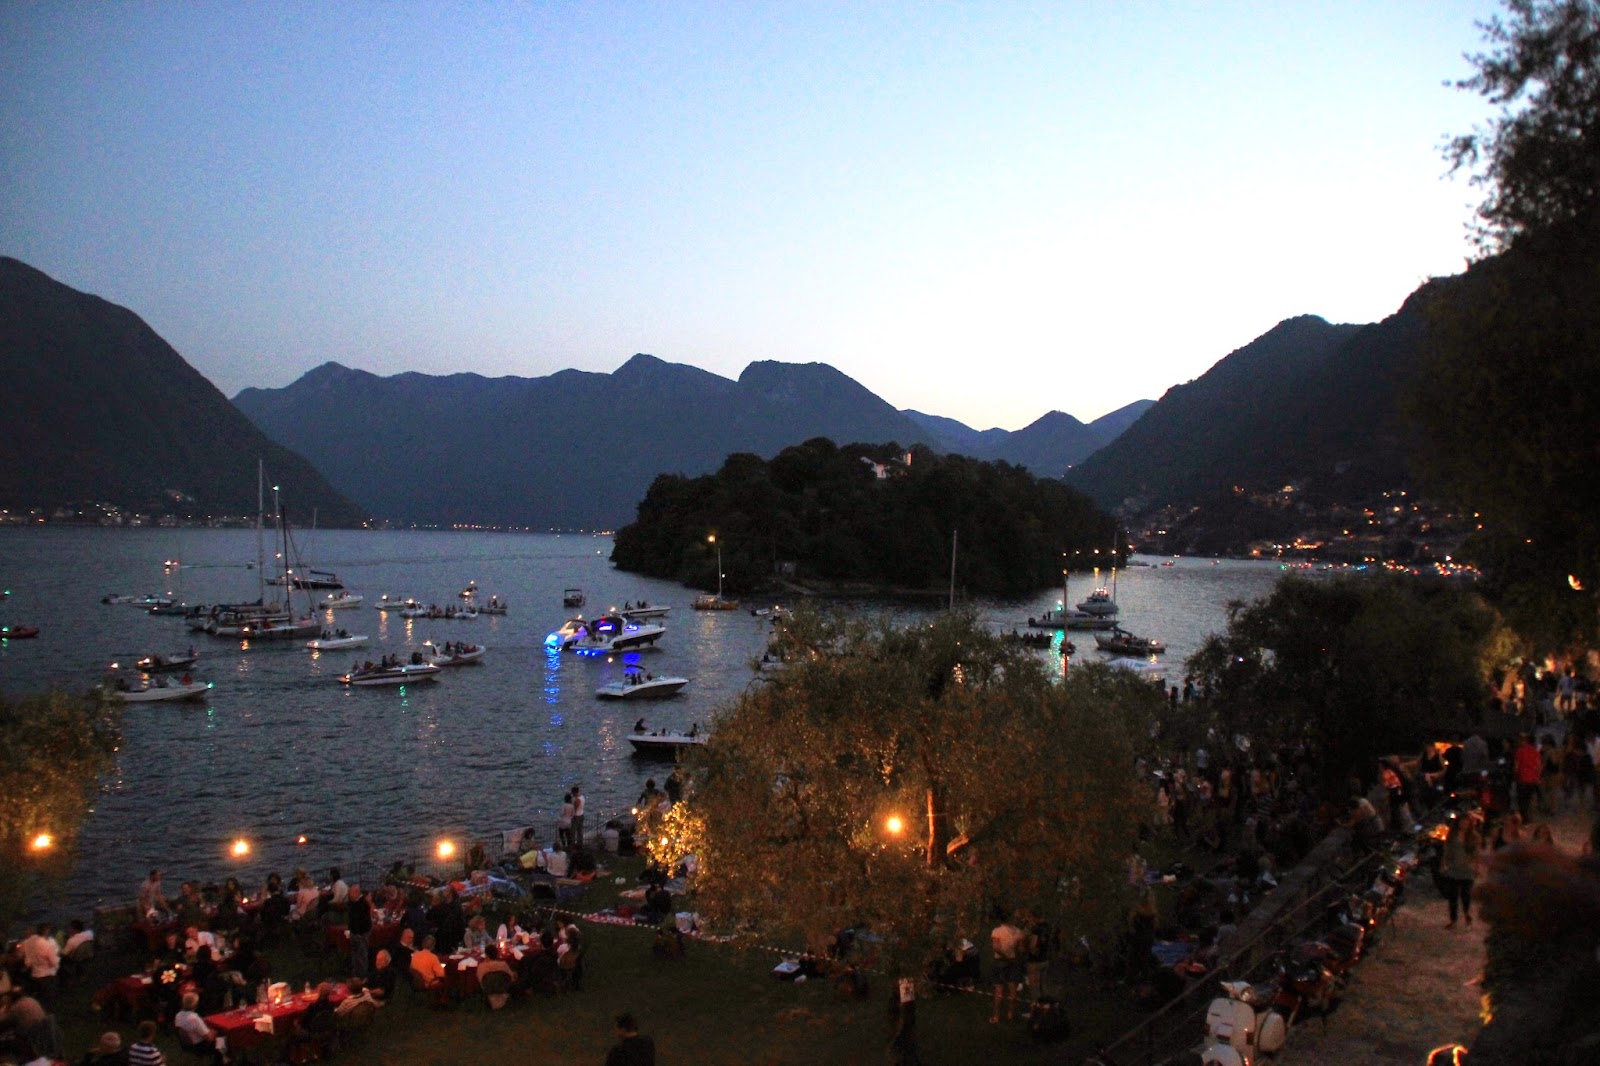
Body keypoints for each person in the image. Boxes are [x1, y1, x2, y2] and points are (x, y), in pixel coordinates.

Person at [1439, 811, 1481, 929]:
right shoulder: (1452, 835)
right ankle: (1454, 920)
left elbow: (1476, 854)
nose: (1464, 825)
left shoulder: (1474, 837)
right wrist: (1444, 864)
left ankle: (1467, 913)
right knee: (1452, 896)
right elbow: (1446, 851)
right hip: (1454, 869)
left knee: (1465, 895)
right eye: (1462, 822)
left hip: (1467, 870)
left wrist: (1476, 867)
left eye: (1466, 823)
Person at [990, 915, 1026, 1024]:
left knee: (999, 989)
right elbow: (1021, 949)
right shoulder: (1018, 931)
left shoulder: (997, 931)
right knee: (1012, 989)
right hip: (1012, 961)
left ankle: (996, 1016)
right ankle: (1010, 1014)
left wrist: (1004, 955)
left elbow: (996, 947)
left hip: (1000, 961)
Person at [172, 991, 223, 1064]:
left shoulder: (178, 1015)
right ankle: (222, 1060)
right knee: (222, 1037)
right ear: (195, 1004)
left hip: (186, 1044)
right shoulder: (194, 1018)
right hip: (200, 1046)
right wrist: (216, 1031)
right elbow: (209, 1038)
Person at [346, 883, 372, 978]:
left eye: (351, 892)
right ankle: (355, 974)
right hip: (355, 933)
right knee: (355, 955)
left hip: (361, 933)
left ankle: (362, 976)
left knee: (361, 956)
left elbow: (360, 921)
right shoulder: (354, 903)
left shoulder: (362, 904)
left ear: (356, 893)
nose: (349, 894)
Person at [571, 785, 586, 849]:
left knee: (573, 831)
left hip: (576, 816)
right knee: (580, 831)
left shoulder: (577, 800)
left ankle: (573, 844)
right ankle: (580, 844)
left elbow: (575, 809)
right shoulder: (582, 797)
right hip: (581, 814)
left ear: (574, 792)